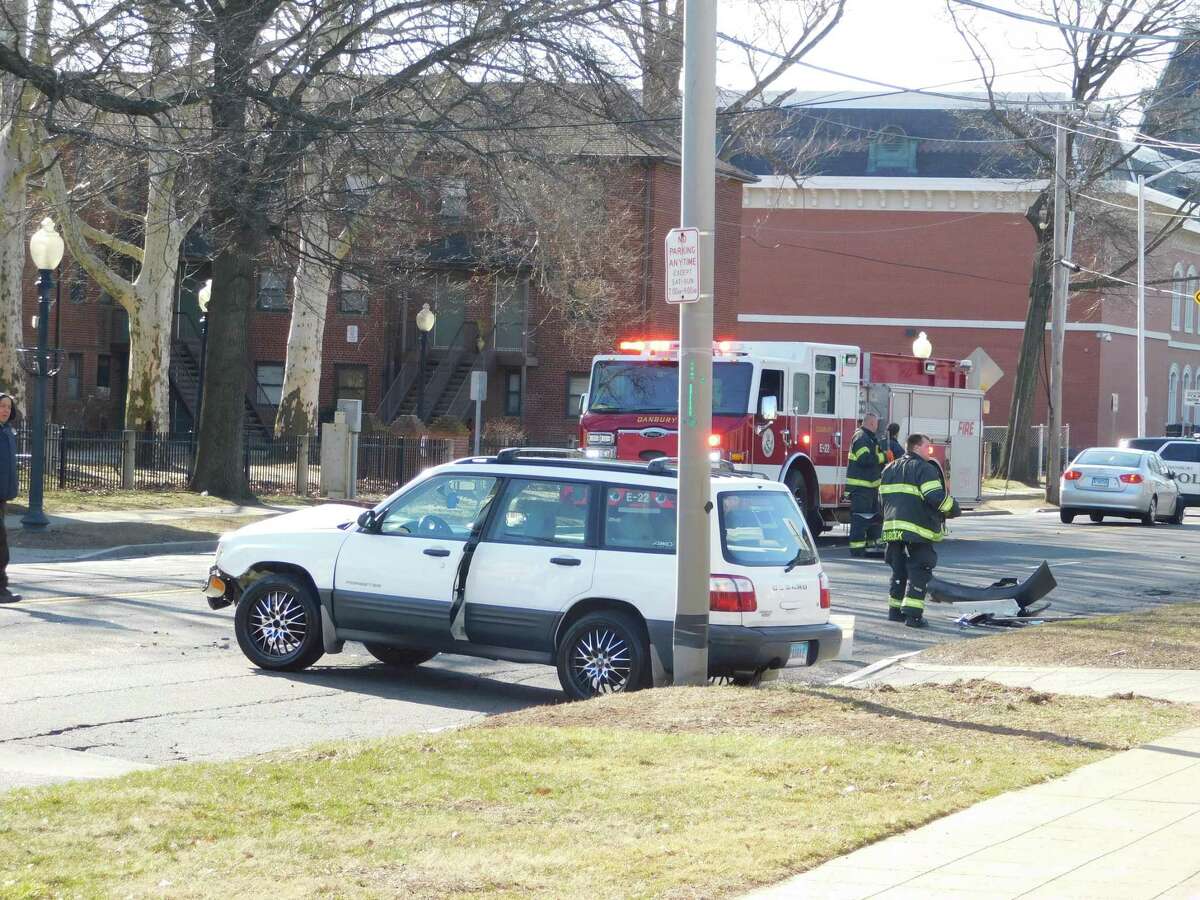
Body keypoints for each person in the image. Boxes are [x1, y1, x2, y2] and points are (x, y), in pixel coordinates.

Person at [880, 432, 960, 628]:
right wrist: (953, 508)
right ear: (916, 448)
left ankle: (895, 611)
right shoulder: (924, 469)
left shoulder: (889, 468)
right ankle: (913, 616)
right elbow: (934, 495)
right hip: (917, 530)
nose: (929, 450)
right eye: (927, 447)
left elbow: (881, 499)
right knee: (920, 568)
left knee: (899, 569)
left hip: (892, 528)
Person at [845, 412, 886, 558]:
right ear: (871, 423)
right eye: (876, 424)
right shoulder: (861, 437)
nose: (877, 427)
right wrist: (884, 457)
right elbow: (864, 459)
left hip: (869, 488)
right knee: (861, 519)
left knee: (873, 517)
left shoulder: (869, 438)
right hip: (861, 488)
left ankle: (872, 546)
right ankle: (857, 549)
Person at [0, 393, 19, 603]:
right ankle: (1, 589)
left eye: (8, 406)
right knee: (1, 544)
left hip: (2, 496)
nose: (5, 410)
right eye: (1, 406)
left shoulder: (7, 431)